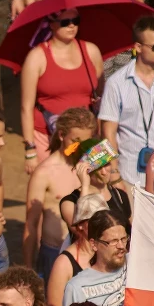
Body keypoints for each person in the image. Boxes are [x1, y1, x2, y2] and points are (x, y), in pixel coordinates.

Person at [98, 17, 154, 188]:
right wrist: (114, 173)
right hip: (130, 175)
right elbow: (108, 133)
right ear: (138, 47)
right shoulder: (116, 83)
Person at [20, 10, 104, 163]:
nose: (71, 26)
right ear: (51, 25)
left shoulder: (91, 51)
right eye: (65, 22)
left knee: (96, 182)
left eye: (75, 21)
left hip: (88, 134)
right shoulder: (36, 57)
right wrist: (30, 150)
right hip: (48, 136)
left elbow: (100, 95)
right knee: (53, 184)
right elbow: (26, 107)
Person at [24, 108, 96, 280]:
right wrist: (27, 270)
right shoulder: (44, 172)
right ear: (62, 135)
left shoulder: (93, 164)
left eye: (86, 142)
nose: (80, 147)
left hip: (90, 252)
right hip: (55, 254)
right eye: (75, 141)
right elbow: (31, 225)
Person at [62, 209, 127, 306]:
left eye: (124, 239)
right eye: (112, 241)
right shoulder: (77, 287)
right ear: (94, 244)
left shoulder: (134, 265)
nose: (121, 246)